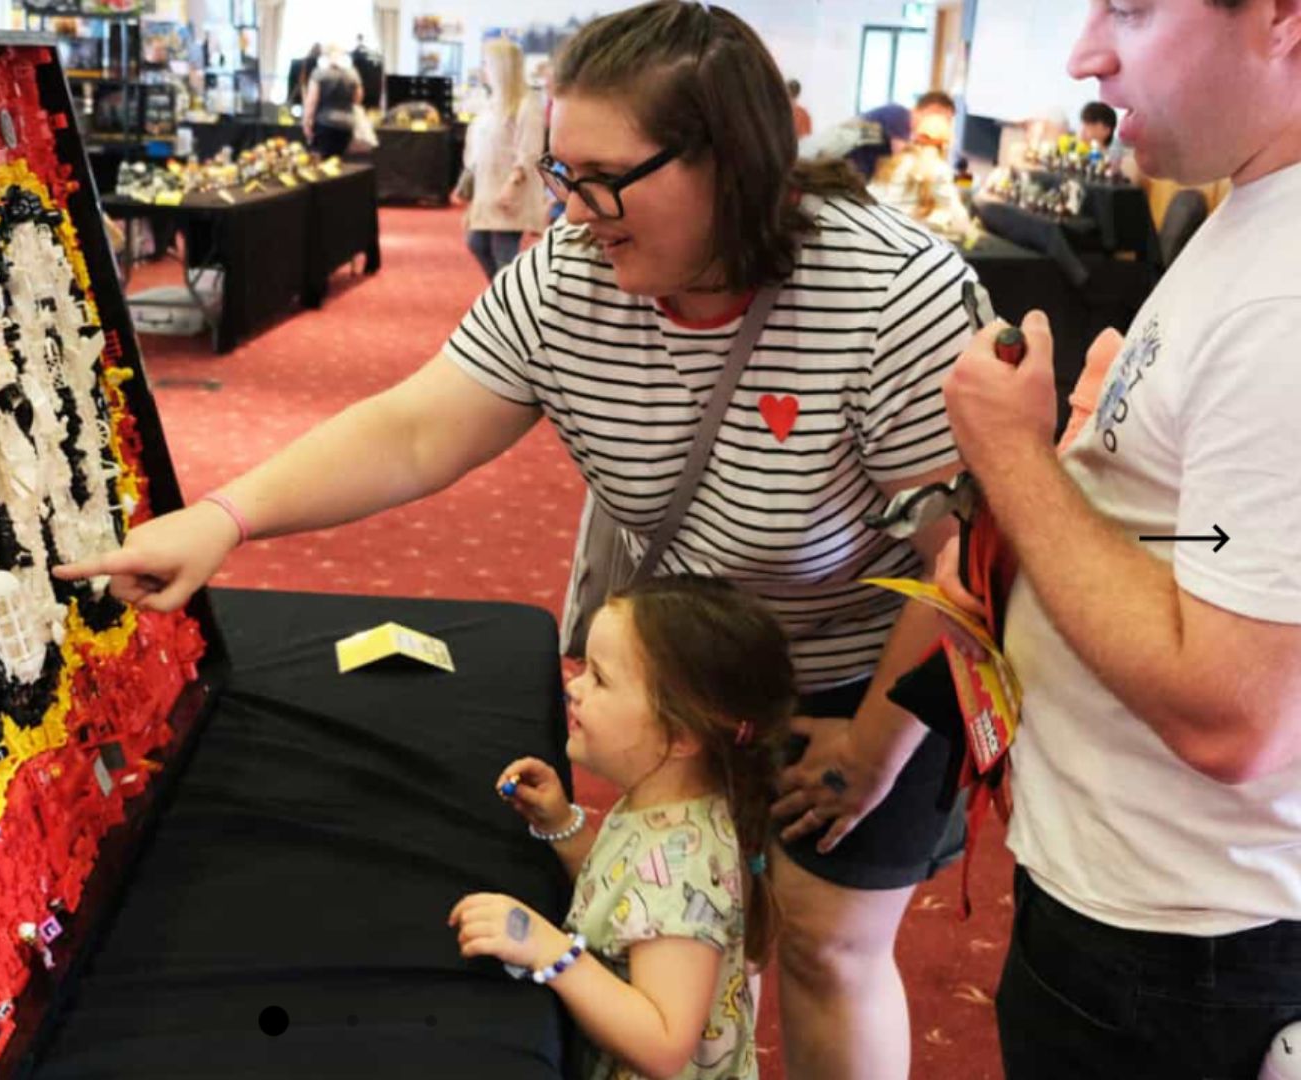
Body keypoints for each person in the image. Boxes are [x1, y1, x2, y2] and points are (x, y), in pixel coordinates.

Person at [58, 6, 980, 1075]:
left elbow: (964, 563)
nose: (575, 212)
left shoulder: (891, 297)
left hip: (864, 673)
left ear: (729, 159)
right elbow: (415, 427)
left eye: (602, 178)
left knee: (826, 944)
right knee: (688, 910)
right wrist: (228, 518)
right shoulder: (573, 277)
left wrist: (874, 745)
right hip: (690, 667)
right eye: (560, 172)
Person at [934, 0, 1301, 1075]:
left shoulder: (1286, 292)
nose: (1087, 53)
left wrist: (1017, 459)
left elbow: (1236, 716)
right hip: (1161, 915)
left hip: (1185, 949)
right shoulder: (1252, 210)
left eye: (1132, 9)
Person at [451, 576, 795, 1080]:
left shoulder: (684, 872)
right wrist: (564, 827)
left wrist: (549, 951)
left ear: (678, 734)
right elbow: (627, 898)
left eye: (600, 678)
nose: (573, 686)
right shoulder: (669, 803)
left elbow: (662, 1045)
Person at [460, 38, 547, 280]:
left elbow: (530, 150)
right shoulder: (491, 103)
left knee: (503, 252)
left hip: (509, 190)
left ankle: (504, 302)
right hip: (488, 188)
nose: (483, 69)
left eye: (487, 63)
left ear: (501, 67)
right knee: (477, 242)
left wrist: (512, 185)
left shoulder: (526, 104)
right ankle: (500, 297)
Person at [841, 90, 957, 180]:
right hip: (843, 173)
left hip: (854, 175)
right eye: (946, 120)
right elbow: (901, 158)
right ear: (933, 110)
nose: (945, 126)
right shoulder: (899, 115)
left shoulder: (903, 126)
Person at [302, 46, 362, 160]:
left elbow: (312, 101)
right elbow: (357, 99)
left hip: (324, 123)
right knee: (339, 162)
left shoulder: (319, 73)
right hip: (347, 124)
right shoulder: (353, 74)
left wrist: (306, 122)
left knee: (321, 161)